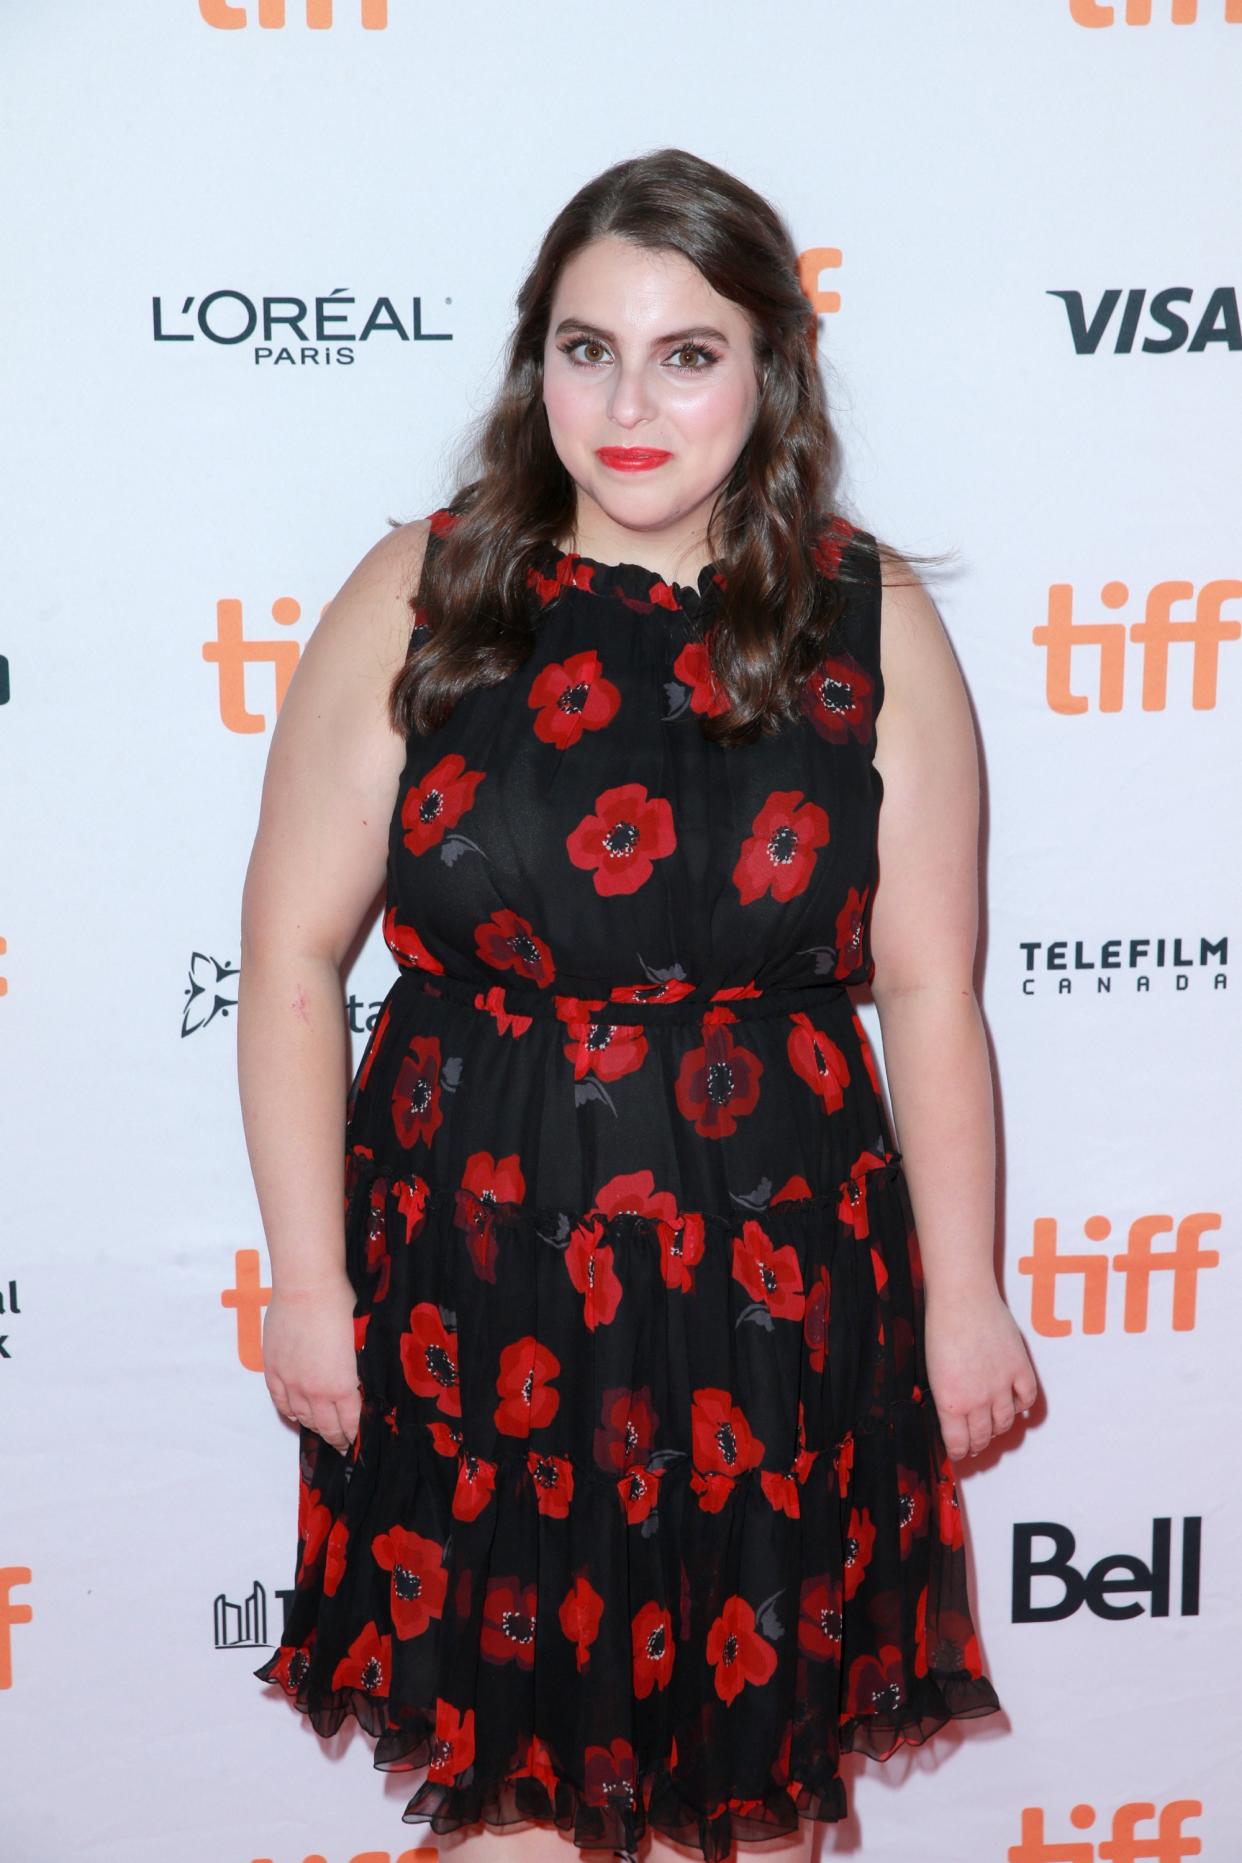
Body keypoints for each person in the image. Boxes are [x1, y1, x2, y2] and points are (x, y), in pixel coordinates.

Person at [243, 147, 1038, 1863]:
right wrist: (309, 1283)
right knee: (508, 1801)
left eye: (688, 353)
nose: (629, 400)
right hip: (472, 1272)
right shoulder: (426, 586)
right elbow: (294, 959)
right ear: (535, 362)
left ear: (769, 376)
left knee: (748, 1804)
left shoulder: (863, 612)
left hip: (776, 1281)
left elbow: (927, 989)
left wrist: (962, 1298)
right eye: (586, 347)